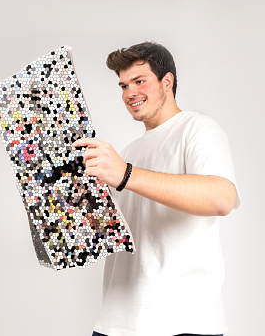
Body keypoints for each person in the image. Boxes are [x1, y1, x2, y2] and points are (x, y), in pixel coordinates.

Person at [72, 42, 240, 336]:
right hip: (116, 322)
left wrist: (125, 173)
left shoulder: (198, 129)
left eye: (139, 81)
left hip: (181, 323)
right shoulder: (129, 152)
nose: (129, 93)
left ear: (167, 82)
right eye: (123, 85)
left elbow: (221, 198)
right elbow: (104, 232)